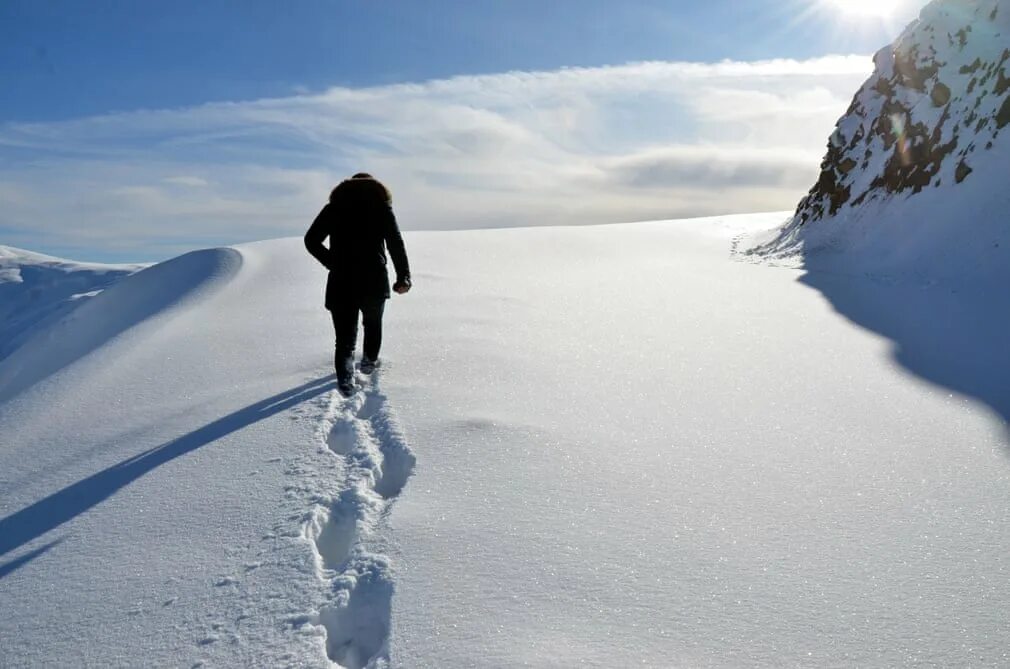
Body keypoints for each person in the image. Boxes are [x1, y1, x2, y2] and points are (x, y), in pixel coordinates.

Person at [304, 173, 411, 396]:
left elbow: (311, 240)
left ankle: (345, 379)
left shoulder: (334, 208)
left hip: (341, 280)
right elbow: (395, 245)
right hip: (374, 279)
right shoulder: (381, 208)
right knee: (372, 325)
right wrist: (404, 277)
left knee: (344, 337)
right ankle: (369, 363)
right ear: (375, 188)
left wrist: (332, 262)